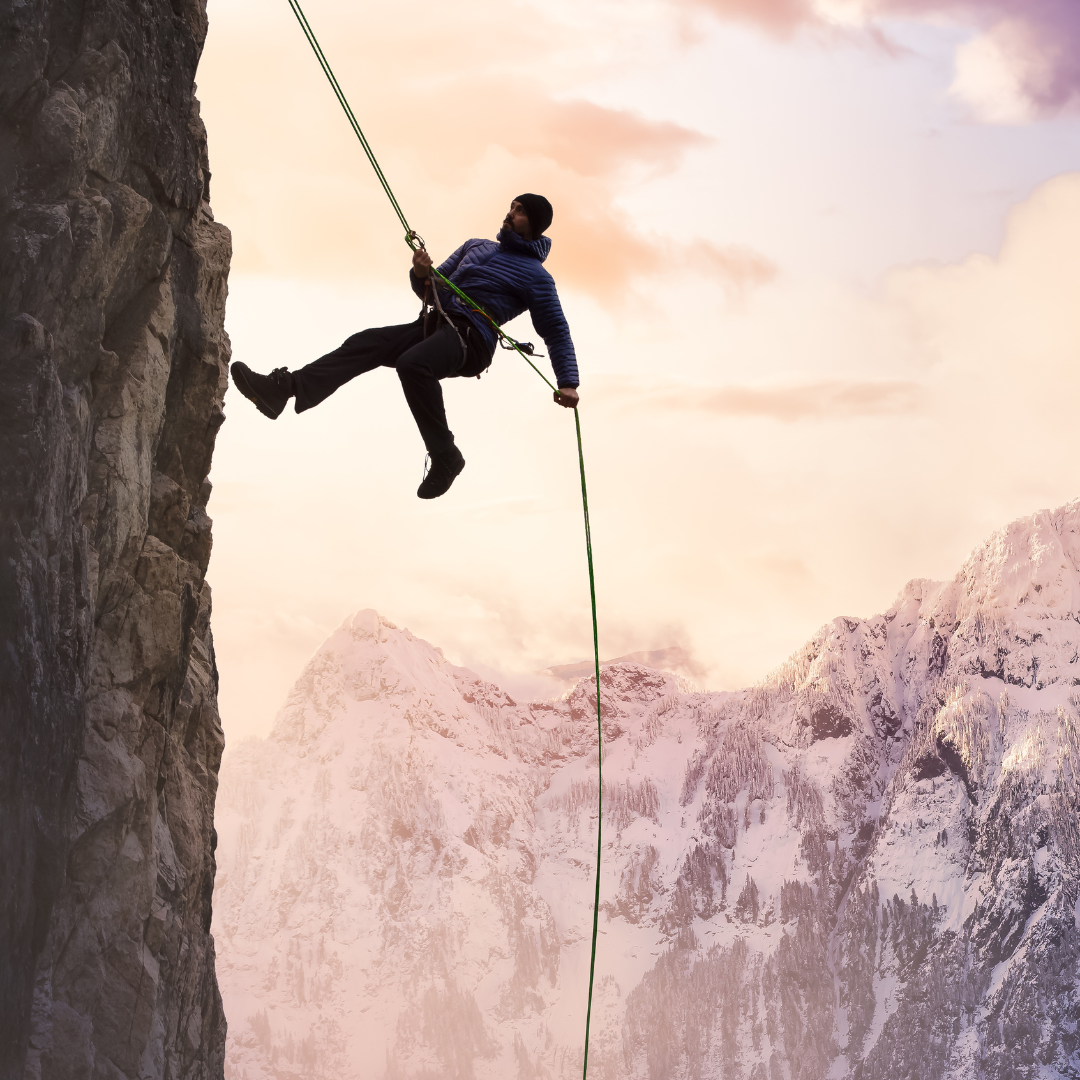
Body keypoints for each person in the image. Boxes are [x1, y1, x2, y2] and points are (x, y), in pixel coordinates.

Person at [230, 194, 579, 499]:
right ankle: (287, 388)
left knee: (413, 365)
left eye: (519, 212)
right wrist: (421, 272)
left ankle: (445, 455)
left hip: (471, 339)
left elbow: (556, 329)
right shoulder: (477, 246)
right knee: (366, 342)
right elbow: (434, 290)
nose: (510, 213)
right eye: (511, 206)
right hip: (436, 326)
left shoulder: (536, 277)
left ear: (533, 226)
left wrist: (568, 383)